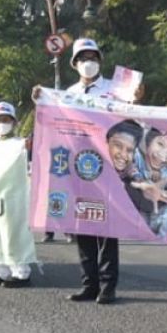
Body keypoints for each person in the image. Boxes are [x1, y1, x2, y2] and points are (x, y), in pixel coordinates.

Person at [35, 38, 122, 304]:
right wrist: (40, 99)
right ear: (74, 64)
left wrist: (137, 97)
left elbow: (133, 114)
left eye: (93, 57)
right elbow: (51, 122)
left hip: (107, 167)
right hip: (78, 167)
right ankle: (89, 284)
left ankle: (108, 286)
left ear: (100, 61)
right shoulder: (68, 94)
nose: (88, 63)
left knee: (106, 229)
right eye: (83, 58)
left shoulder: (115, 89)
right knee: (82, 224)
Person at [0, 101, 33, 289]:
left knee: (14, 234)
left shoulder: (19, 144)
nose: (1, 124)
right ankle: (1, 270)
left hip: (15, 197)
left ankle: (21, 272)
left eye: (6, 120)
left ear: (13, 122)